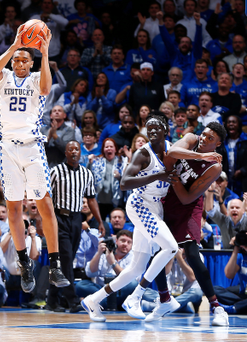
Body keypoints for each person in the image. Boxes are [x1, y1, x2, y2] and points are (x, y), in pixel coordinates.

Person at [0, 24, 69, 293]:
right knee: (12, 208)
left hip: (33, 148)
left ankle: (54, 265)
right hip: (8, 148)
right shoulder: (4, 77)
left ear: (31, 64)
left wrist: (44, 53)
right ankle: (24, 264)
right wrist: (13, 46)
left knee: (45, 204)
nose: (20, 63)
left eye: (24, 59)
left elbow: (46, 88)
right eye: (17, 60)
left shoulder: (36, 79)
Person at [81, 112, 179, 322]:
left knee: (136, 267)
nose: (152, 132)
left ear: (166, 131)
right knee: (170, 247)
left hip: (156, 207)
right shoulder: (143, 154)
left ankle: (93, 299)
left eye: (156, 128)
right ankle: (136, 296)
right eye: (148, 129)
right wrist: (158, 175)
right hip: (140, 205)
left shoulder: (172, 149)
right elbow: (124, 182)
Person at [158, 122, 230, 325]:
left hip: (189, 206)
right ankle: (164, 299)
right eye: (204, 134)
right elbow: (172, 150)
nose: (204, 139)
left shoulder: (215, 167)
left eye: (210, 138)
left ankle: (217, 308)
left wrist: (174, 175)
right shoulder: (191, 139)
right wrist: (200, 155)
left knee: (191, 252)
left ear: (217, 144)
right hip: (168, 199)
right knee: (159, 251)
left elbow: (187, 198)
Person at [47, 141, 104, 313]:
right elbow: (47, 197)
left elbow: (91, 198)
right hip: (59, 217)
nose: (73, 152)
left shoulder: (86, 174)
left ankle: (52, 300)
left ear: (81, 153)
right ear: (65, 152)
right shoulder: (55, 171)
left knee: (66, 259)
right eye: (70, 149)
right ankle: (72, 301)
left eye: (76, 149)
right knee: (65, 259)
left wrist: (100, 221)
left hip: (76, 219)